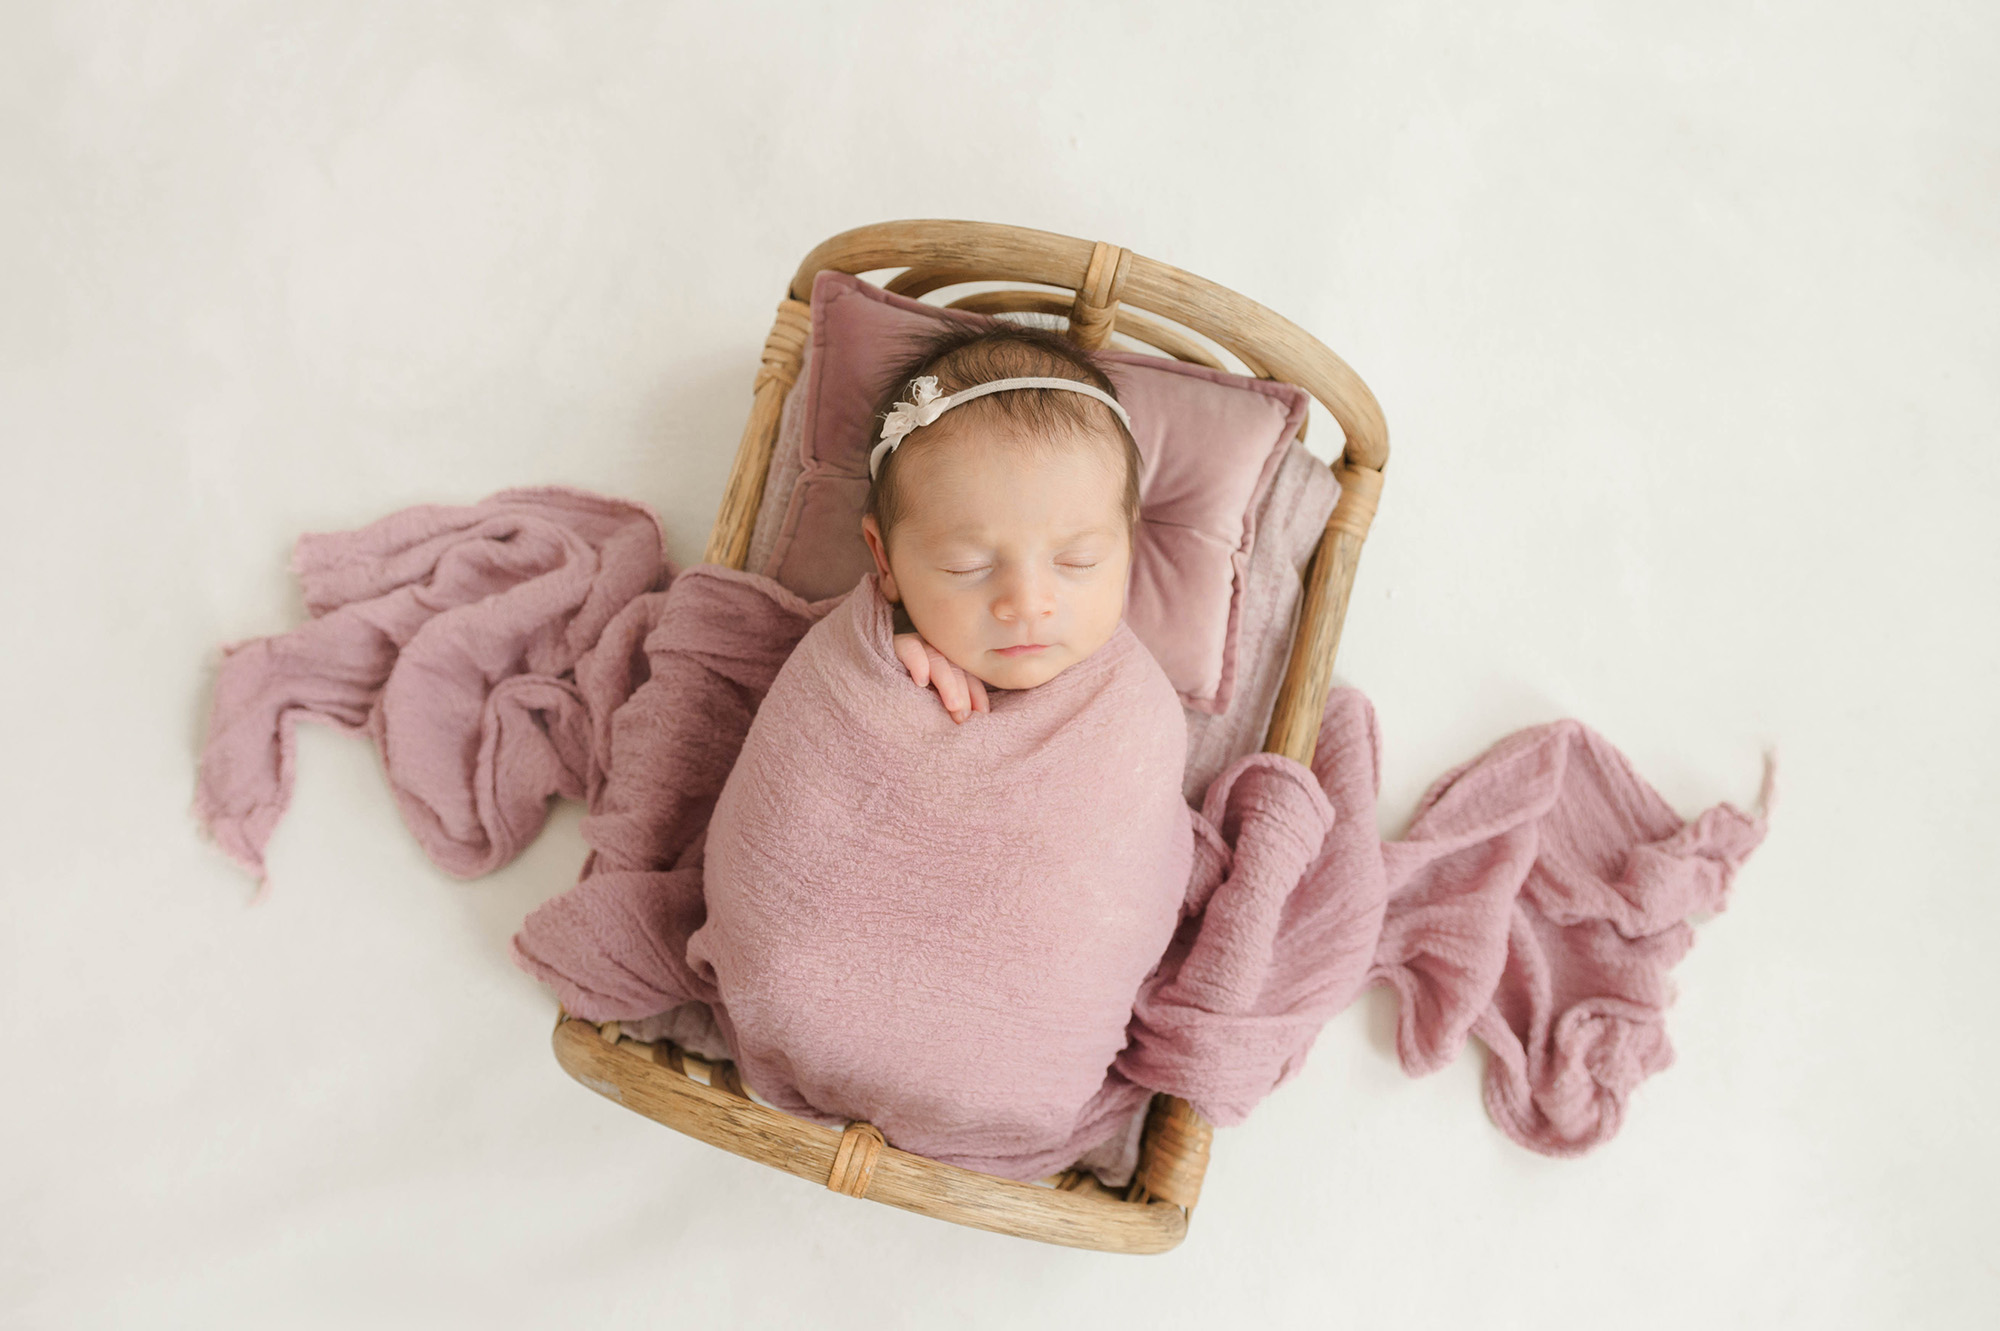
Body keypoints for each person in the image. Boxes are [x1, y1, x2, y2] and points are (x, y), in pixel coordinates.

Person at [857, 322, 1146, 723]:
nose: (1027, 606)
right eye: (967, 567)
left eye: (1079, 560)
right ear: (885, 560)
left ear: (1128, 545)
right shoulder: (861, 660)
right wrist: (877, 664)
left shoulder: (1135, 699)